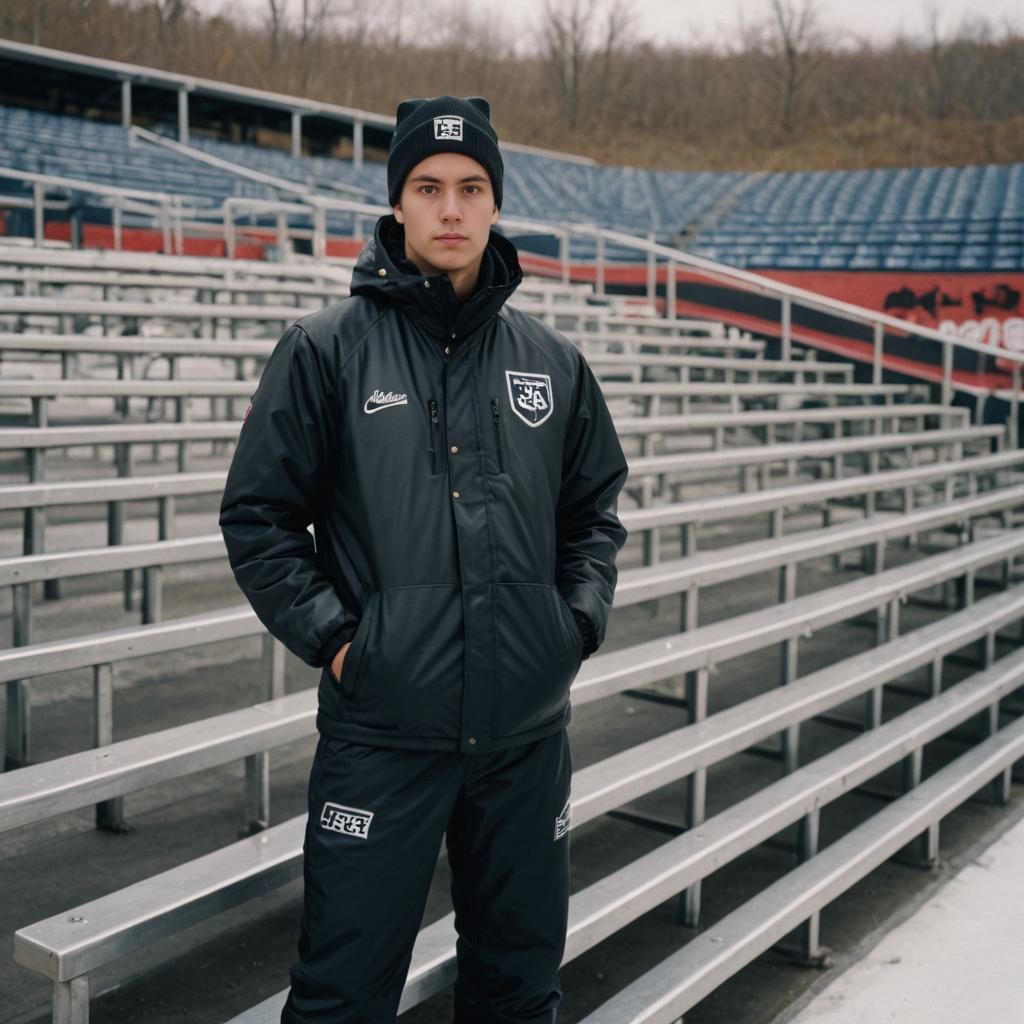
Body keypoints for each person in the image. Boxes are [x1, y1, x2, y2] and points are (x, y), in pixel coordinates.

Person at [219, 94, 629, 1023]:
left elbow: (593, 511)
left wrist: (571, 624)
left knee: (518, 991)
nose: (451, 208)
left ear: (496, 203)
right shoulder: (326, 351)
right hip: (383, 736)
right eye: (429, 186)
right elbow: (259, 517)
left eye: (472, 187)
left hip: (526, 739)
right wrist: (342, 641)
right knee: (341, 995)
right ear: (397, 204)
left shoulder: (553, 362)